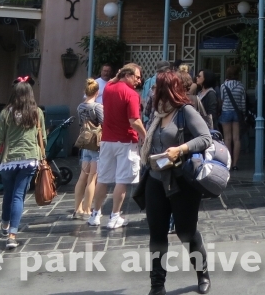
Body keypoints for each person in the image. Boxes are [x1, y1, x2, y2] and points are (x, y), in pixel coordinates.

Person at [142, 69, 213, 295]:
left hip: (181, 180)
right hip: (155, 179)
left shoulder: (185, 111)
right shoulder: (157, 113)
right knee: (157, 234)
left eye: (157, 87)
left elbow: (206, 138)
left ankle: (202, 273)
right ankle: (157, 285)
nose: (153, 91)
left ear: (167, 90)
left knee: (186, 233)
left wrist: (180, 149)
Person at [0, 77, 46, 250]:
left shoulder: (6, 113)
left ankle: (5, 223)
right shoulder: (36, 112)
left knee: (8, 193)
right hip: (29, 157)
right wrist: (43, 154)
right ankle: (12, 234)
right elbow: (42, 138)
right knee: (19, 195)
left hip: (9, 159)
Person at [90, 63, 146, 229]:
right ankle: (114, 216)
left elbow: (114, 80)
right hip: (126, 141)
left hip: (107, 140)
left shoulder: (108, 88)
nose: (139, 80)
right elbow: (134, 120)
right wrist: (146, 135)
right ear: (127, 75)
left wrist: (120, 72)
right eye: (136, 77)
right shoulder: (132, 94)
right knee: (122, 180)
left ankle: (95, 214)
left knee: (103, 178)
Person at [73, 78, 104, 219]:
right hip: (96, 145)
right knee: (93, 178)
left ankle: (77, 208)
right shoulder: (97, 107)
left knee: (82, 177)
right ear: (97, 92)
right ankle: (87, 209)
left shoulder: (80, 107)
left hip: (85, 143)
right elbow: (104, 124)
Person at [218, 66, 246, 171]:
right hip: (237, 113)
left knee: (227, 139)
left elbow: (221, 100)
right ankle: (235, 164)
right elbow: (243, 102)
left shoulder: (223, 86)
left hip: (226, 112)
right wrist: (242, 113)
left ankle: (228, 163)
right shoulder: (241, 86)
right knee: (236, 138)